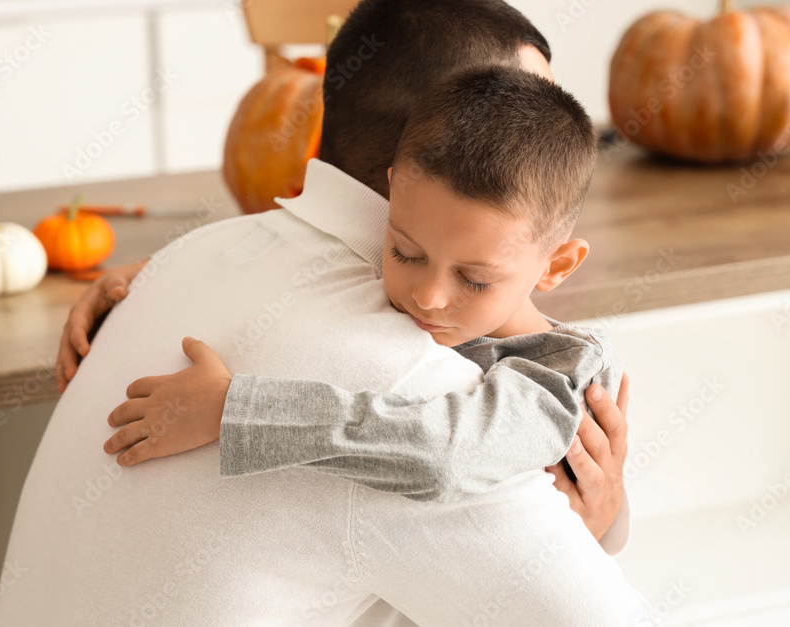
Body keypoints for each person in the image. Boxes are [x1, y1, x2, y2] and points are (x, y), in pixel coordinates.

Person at [0, 0, 650, 626]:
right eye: (512, 106)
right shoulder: (412, 386)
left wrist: (588, 512)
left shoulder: (179, 261)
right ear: (427, 147)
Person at [104, 66, 621, 515]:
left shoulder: (560, 378)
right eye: (404, 251)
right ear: (392, 195)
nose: (428, 296)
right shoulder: (423, 264)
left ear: (557, 266)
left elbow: (447, 456)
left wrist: (235, 410)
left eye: (474, 280)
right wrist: (155, 270)